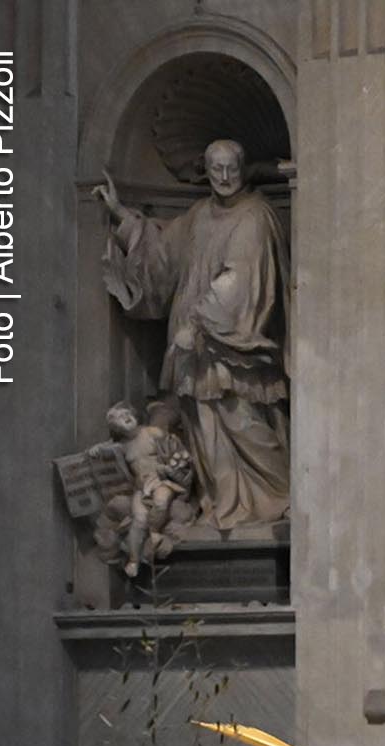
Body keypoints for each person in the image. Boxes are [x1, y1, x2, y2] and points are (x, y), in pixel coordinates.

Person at [97, 139, 290, 530]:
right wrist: (122, 216)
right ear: (205, 170)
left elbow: (239, 281)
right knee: (203, 429)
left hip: (232, 346)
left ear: (243, 169)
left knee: (243, 423)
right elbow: (162, 254)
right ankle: (222, 505)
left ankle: (277, 494)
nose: (223, 177)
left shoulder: (255, 216)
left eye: (231, 169)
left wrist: (197, 325)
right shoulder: (199, 215)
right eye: (215, 169)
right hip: (192, 349)